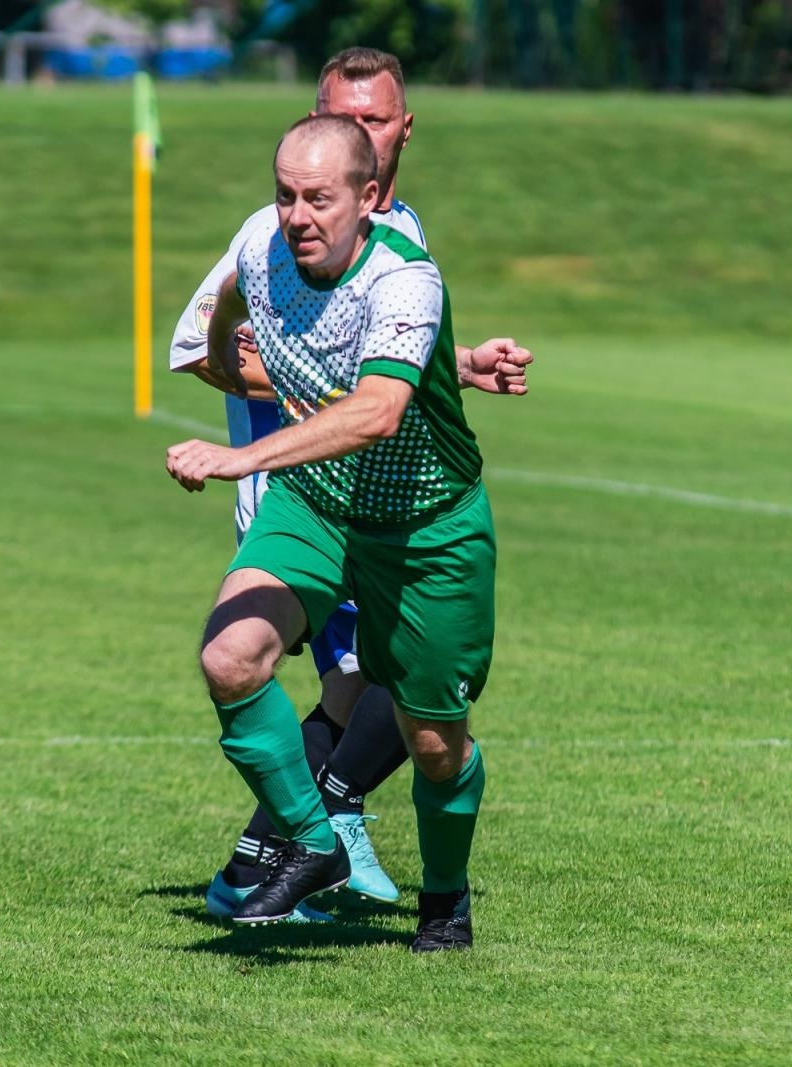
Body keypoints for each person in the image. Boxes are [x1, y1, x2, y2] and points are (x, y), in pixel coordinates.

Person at [166, 47, 529, 922]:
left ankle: (444, 898)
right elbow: (214, 328)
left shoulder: (409, 267)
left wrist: (237, 456)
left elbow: (377, 407)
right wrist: (224, 351)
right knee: (233, 656)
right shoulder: (261, 237)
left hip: (422, 523)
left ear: (371, 188)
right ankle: (315, 839)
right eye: (286, 193)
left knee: (432, 737)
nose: (294, 214)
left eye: (315, 197)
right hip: (313, 497)